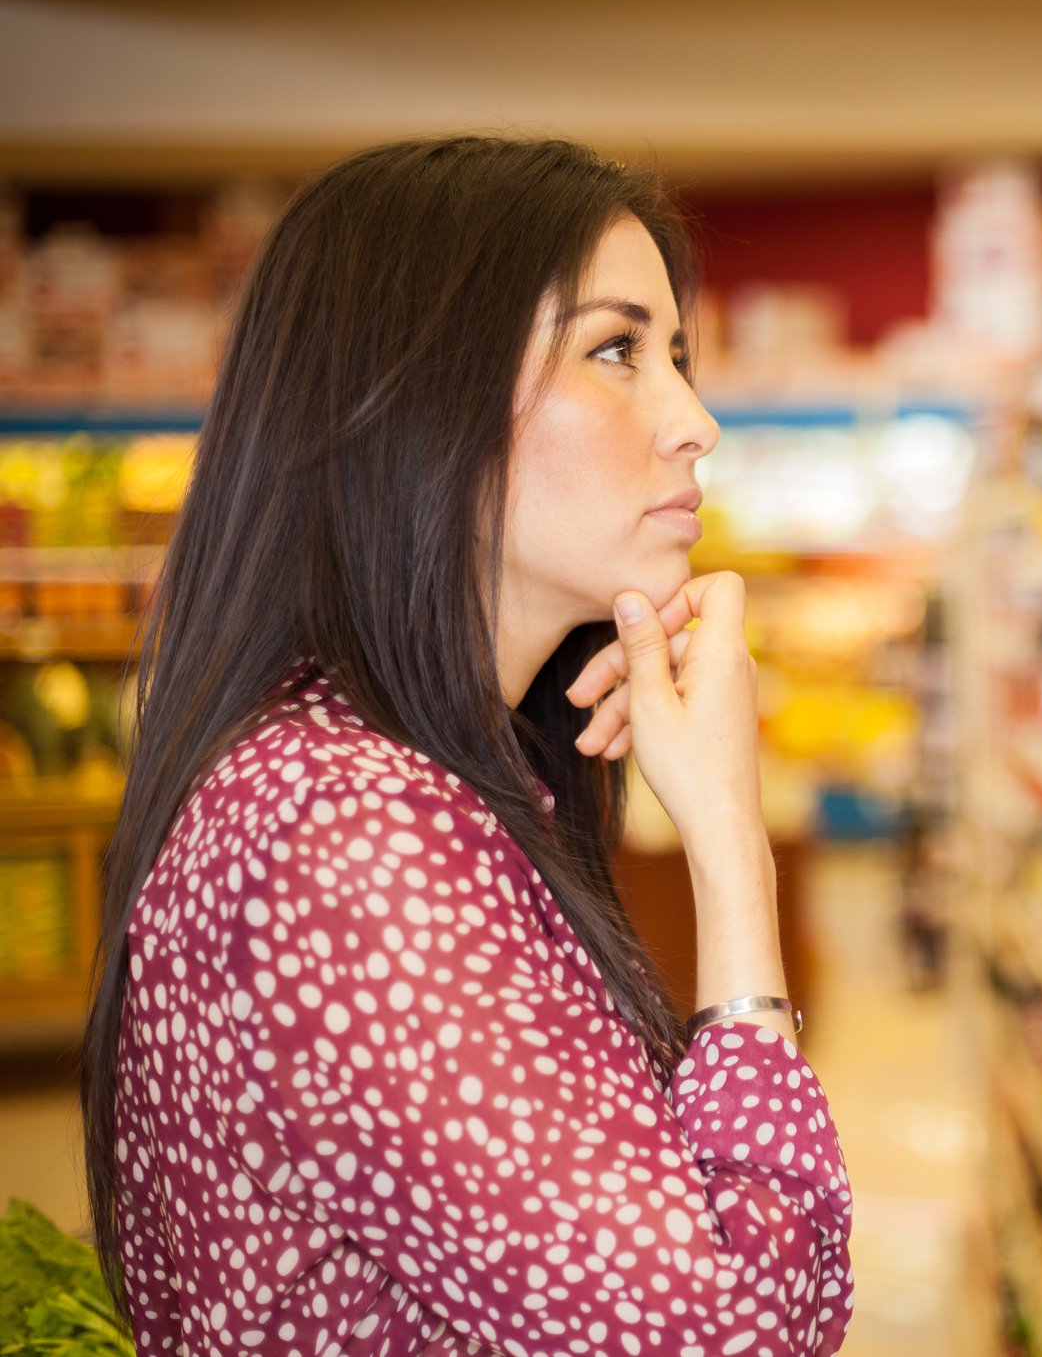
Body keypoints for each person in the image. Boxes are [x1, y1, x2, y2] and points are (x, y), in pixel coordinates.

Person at [77, 136, 853, 1355]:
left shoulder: (410, 774)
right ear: (423, 389)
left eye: (679, 357)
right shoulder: (343, 831)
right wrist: (731, 850)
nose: (695, 422)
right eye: (616, 350)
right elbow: (727, 1333)